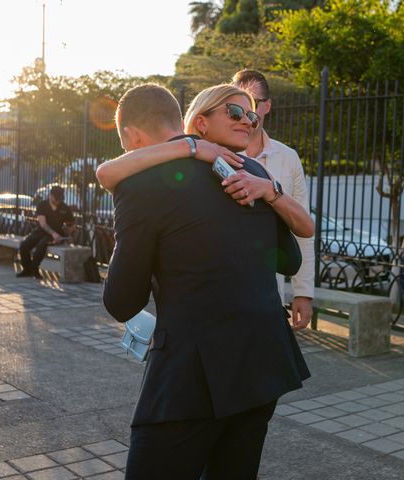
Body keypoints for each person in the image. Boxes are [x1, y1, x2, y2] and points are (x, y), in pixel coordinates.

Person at [101, 84, 312, 479]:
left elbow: (122, 301)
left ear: (131, 138)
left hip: (191, 377)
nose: (247, 122)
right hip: (263, 362)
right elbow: (289, 258)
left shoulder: (142, 183)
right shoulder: (253, 173)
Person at [232, 69, 316, 330]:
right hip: (224, 296)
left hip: (270, 296)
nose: (246, 113)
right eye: (236, 105)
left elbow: (302, 228)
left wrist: (303, 292)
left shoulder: (288, 157)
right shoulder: (216, 153)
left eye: (253, 103)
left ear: (267, 106)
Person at [17, 185, 75, 278]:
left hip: (55, 235)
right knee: (24, 245)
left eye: (60, 199)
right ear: (51, 195)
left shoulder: (65, 208)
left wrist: (66, 234)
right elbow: (43, 224)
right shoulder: (42, 205)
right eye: (56, 198)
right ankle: (27, 269)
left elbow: (71, 224)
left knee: (41, 246)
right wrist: (53, 233)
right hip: (42, 231)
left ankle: (34, 269)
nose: (58, 201)